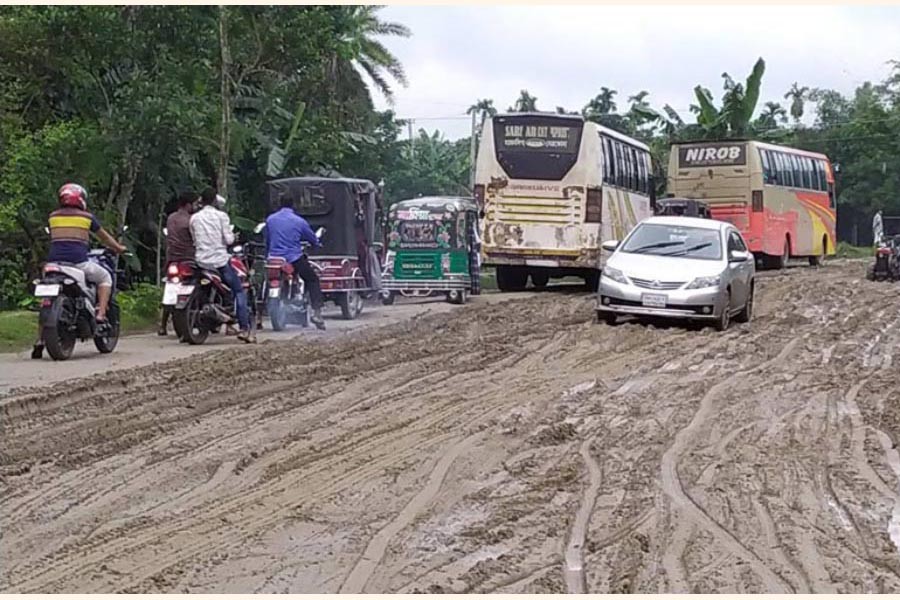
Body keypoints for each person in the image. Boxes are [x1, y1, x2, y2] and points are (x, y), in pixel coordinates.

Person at [32, 183, 126, 358]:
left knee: (46, 301)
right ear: (81, 198)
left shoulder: (52, 217)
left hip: (53, 264)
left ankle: (39, 340)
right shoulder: (87, 218)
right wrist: (118, 248)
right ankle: (101, 314)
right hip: (78, 264)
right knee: (105, 277)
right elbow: (104, 238)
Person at [190, 187, 255, 343]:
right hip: (219, 261)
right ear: (214, 201)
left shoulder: (194, 218)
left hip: (200, 261)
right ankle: (244, 328)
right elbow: (228, 240)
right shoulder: (221, 216)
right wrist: (233, 237)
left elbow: (194, 239)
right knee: (239, 291)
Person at [265, 195, 326, 330]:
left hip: (274, 259)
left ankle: (258, 317)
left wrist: (268, 254)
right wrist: (317, 244)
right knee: (312, 279)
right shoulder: (299, 221)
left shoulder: (270, 220)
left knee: (265, 282)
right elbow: (312, 238)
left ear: (280, 204)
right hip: (294, 258)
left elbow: (268, 240)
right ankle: (317, 313)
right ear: (293, 205)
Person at [158, 190, 197, 336]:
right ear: (188, 205)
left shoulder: (171, 218)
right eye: (193, 204)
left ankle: (162, 325)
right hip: (189, 258)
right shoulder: (191, 220)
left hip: (172, 259)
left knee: (170, 288)